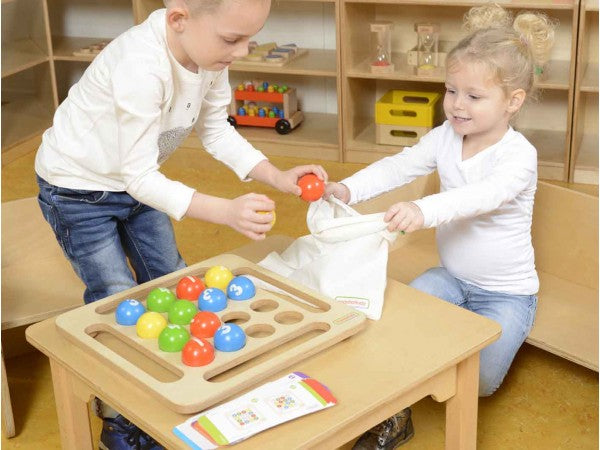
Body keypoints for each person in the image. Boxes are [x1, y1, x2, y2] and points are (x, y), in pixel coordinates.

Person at [34, 0, 326, 448]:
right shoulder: (141, 65)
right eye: (233, 39)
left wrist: (274, 174)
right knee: (114, 299)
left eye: (251, 37)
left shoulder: (208, 53)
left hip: (138, 182)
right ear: (179, 20)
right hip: (78, 190)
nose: (243, 50)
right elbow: (139, 177)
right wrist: (226, 212)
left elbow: (217, 131)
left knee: (171, 279)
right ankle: (120, 415)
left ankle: (176, 383)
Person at [325, 4, 556, 449]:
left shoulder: (517, 156)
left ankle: (461, 342)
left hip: (506, 293)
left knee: (482, 381)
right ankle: (394, 412)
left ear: (513, 102)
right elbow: (399, 165)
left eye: (473, 95)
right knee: (389, 327)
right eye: (451, 90)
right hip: (451, 277)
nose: (456, 104)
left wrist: (423, 209)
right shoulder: (446, 135)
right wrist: (347, 190)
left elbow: (481, 197)